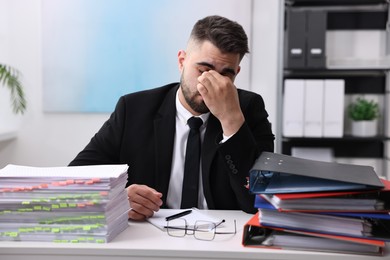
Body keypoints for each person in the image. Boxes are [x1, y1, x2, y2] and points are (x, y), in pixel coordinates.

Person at [69, 15, 275, 220]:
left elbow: (259, 202)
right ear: (182, 61)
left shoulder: (249, 110)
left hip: (224, 242)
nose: (211, 83)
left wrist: (231, 121)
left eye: (225, 75)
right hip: (151, 240)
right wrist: (117, 198)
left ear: (236, 73)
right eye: (203, 70)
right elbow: (74, 178)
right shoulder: (133, 109)